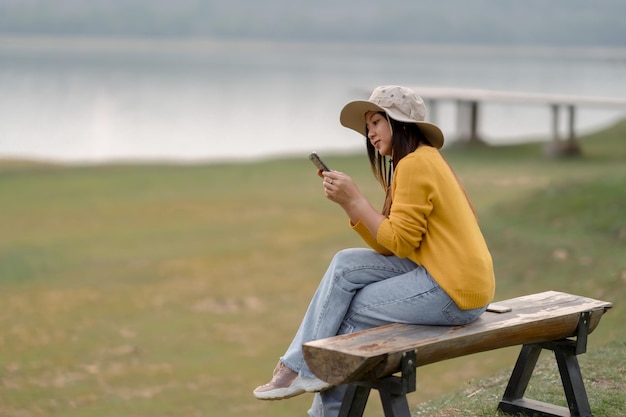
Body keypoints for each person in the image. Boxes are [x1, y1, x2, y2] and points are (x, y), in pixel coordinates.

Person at [252, 85, 495, 416]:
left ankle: (313, 394)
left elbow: (400, 243)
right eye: (367, 127)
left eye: (376, 122)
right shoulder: (422, 160)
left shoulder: (415, 165)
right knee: (344, 264)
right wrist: (350, 206)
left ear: (399, 123)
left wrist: (356, 200)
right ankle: (296, 366)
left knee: (349, 313)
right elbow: (389, 245)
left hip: (453, 292)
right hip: (452, 279)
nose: (370, 134)